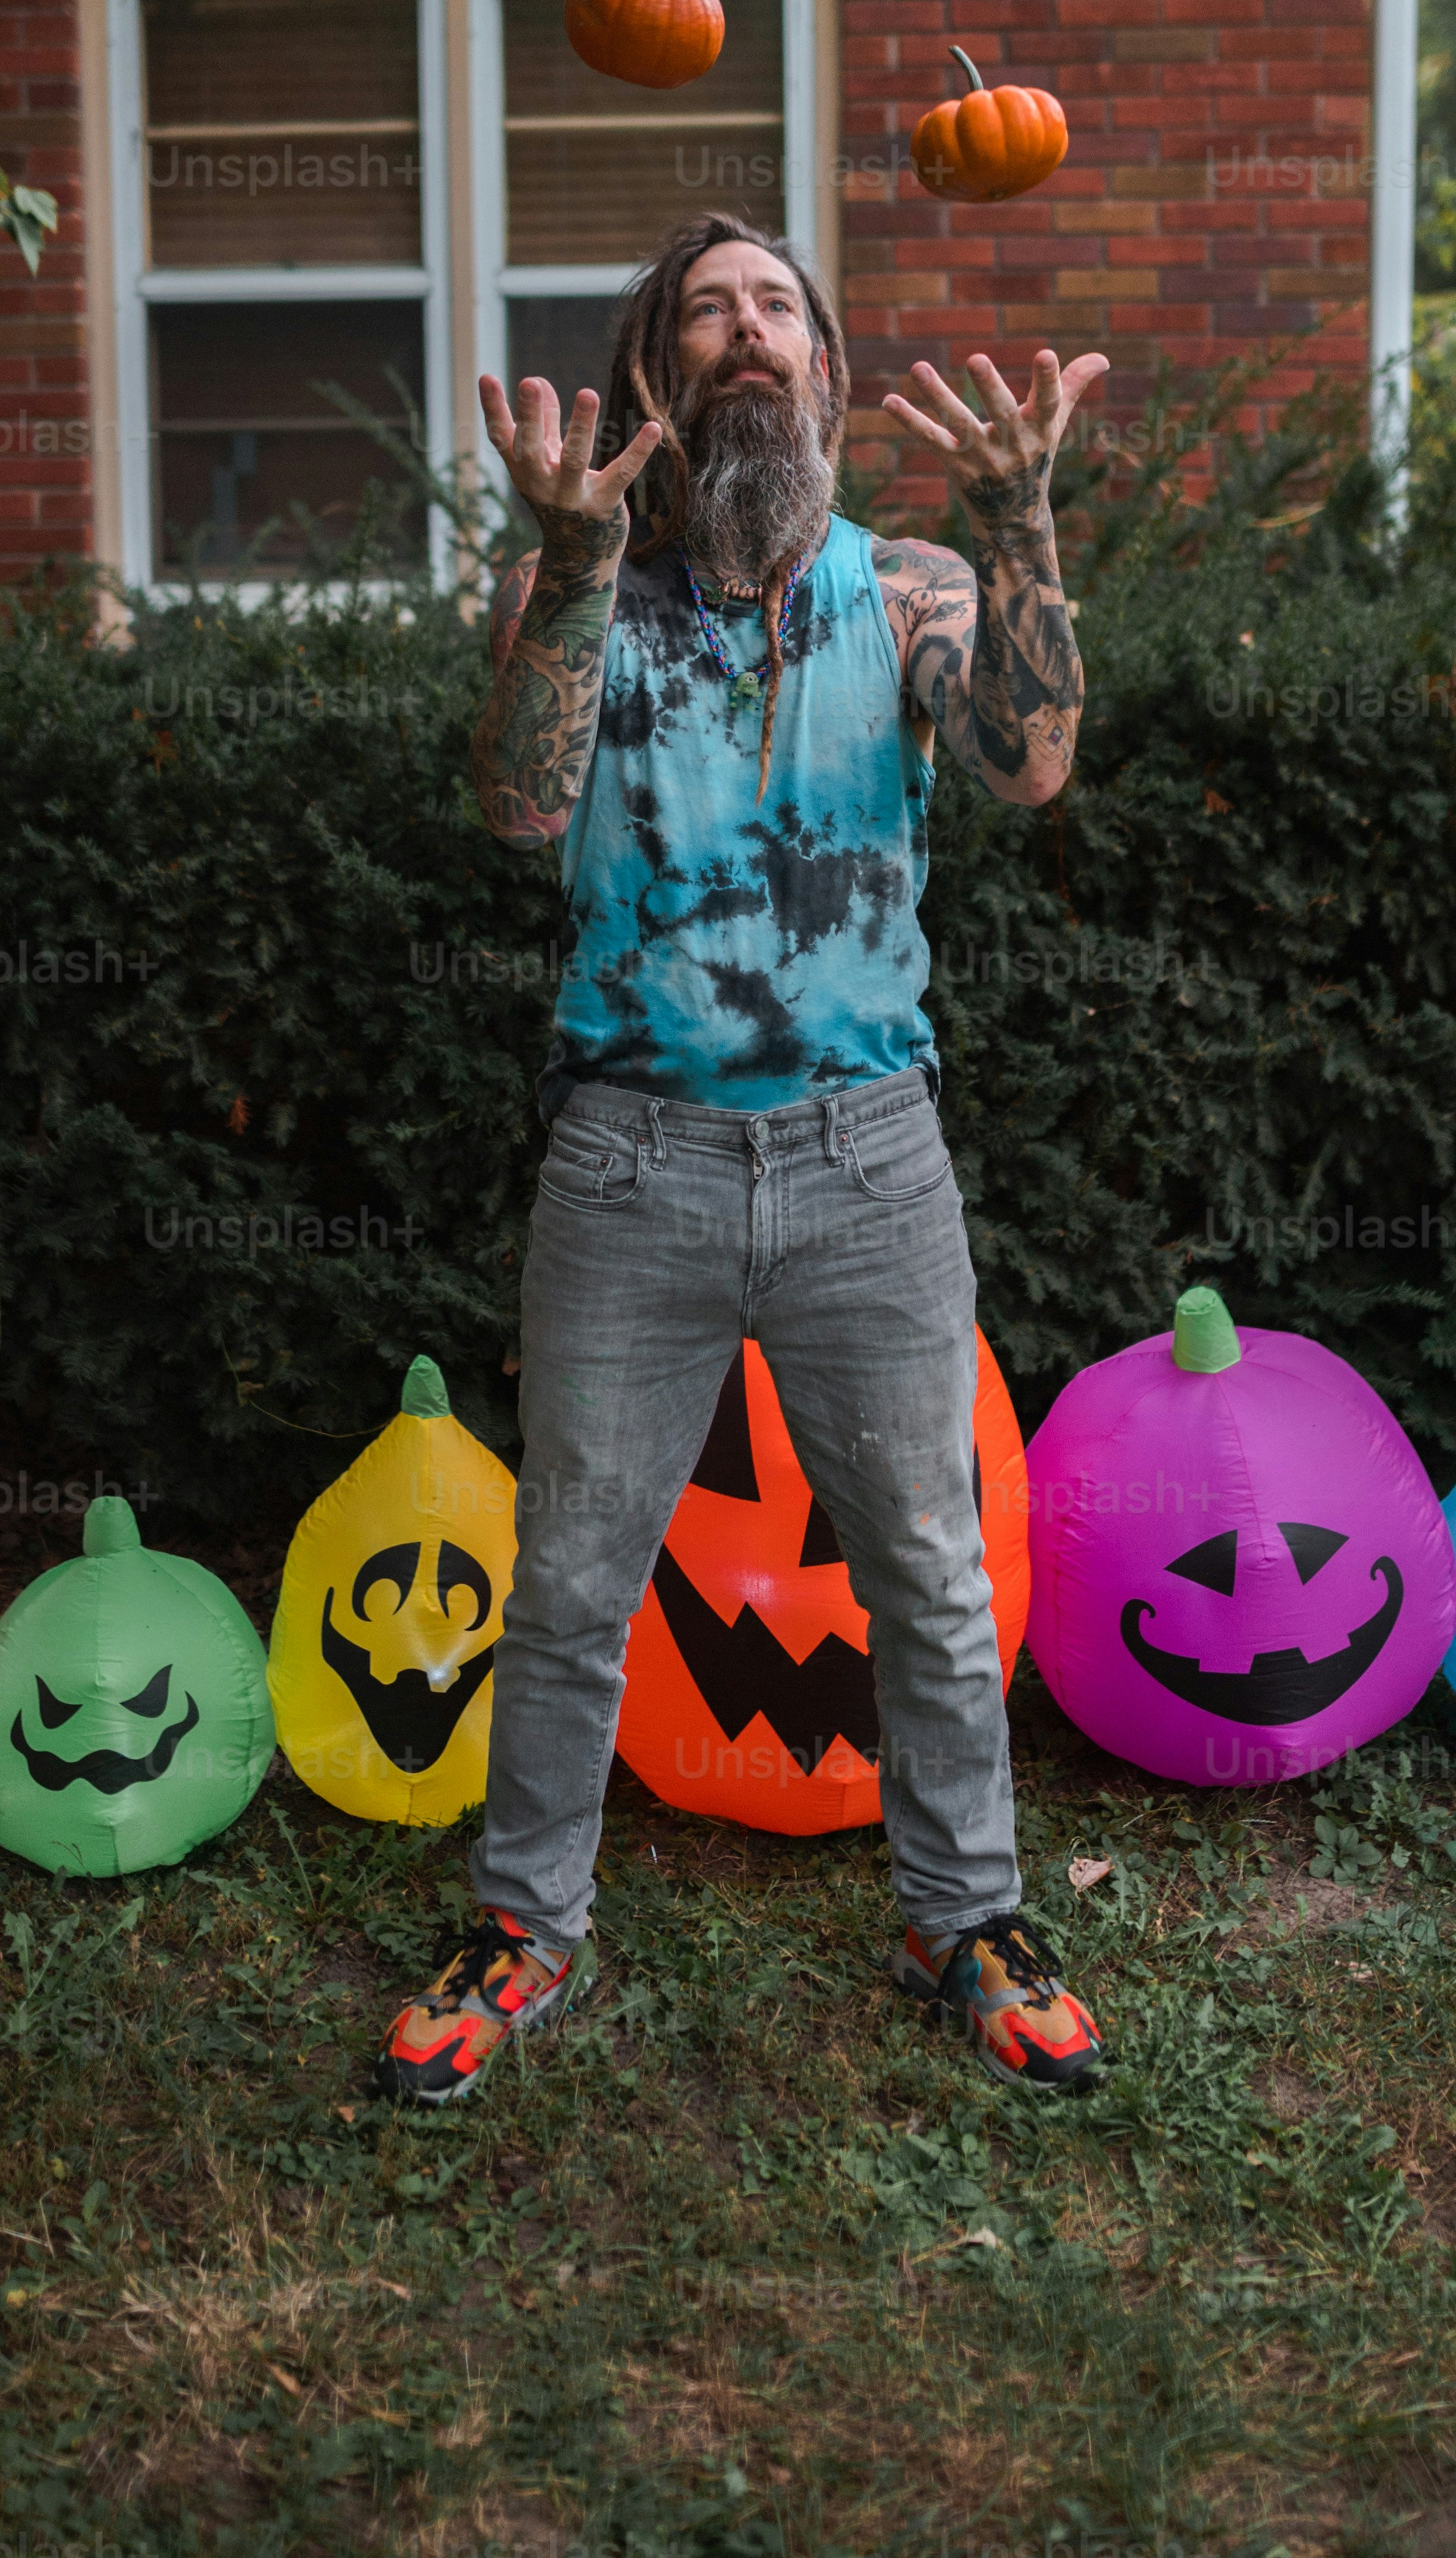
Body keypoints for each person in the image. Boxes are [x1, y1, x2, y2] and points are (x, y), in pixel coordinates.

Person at [373, 212, 1109, 2108]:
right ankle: (525, 1922)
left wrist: (1025, 522)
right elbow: (517, 804)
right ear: (660, 380)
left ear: (829, 369)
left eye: (779, 306)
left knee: (933, 1572)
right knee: (571, 1578)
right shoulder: (585, 599)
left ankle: (972, 1916)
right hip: (630, 1165)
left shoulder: (919, 588)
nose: (749, 332)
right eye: (708, 312)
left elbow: (1030, 765)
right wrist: (566, 561)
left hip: (872, 1157)